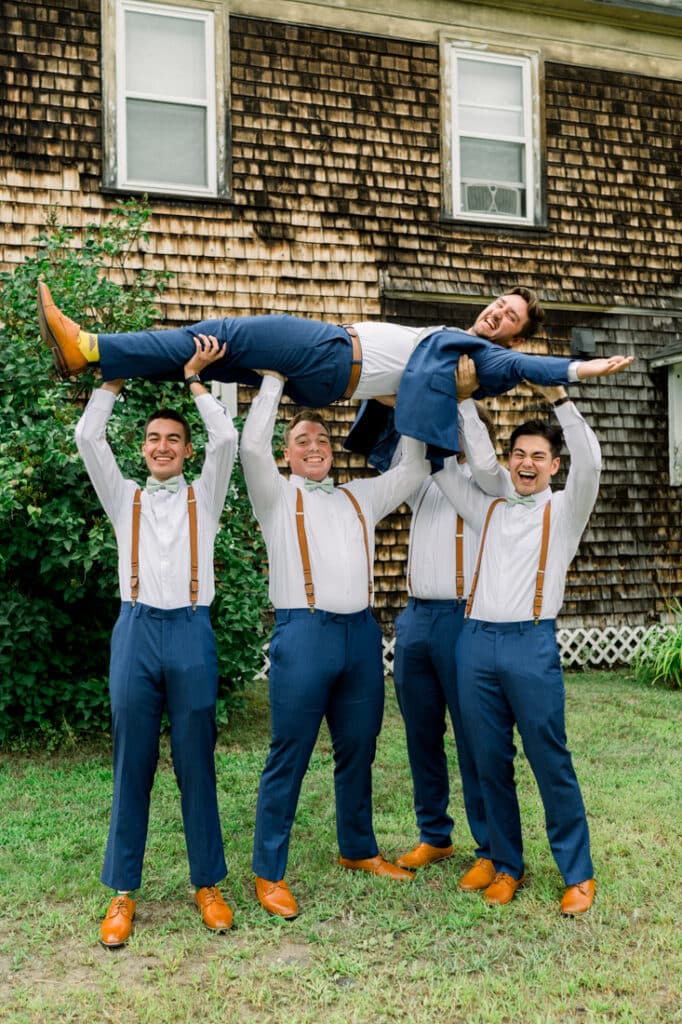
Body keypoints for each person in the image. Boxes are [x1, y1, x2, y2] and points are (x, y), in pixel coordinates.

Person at [38, 283, 632, 465]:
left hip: (327, 352)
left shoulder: (488, 361)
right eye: (498, 303)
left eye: (509, 318)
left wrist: (581, 368)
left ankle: (88, 345)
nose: (496, 314)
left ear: (515, 335)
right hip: (329, 373)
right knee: (206, 356)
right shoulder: (456, 348)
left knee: (229, 332)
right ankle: (96, 359)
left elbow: (528, 367)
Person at [239, 370, 431, 919]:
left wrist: (408, 404)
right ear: (289, 453)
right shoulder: (276, 496)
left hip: (361, 637)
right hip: (303, 635)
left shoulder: (358, 499)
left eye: (322, 440)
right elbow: (251, 445)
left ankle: (357, 849)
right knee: (288, 754)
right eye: (303, 441)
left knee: (359, 748)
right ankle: (269, 872)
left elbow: (414, 466)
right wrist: (274, 380)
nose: (315, 447)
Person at [75, 334, 237, 947]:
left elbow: (226, 440)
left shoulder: (207, 495)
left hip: (192, 631)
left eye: (173, 439)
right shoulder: (126, 498)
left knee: (196, 759)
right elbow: (89, 439)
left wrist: (195, 381)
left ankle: (207, 882)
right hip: (137, 629)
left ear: (186, 449)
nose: (162, 446)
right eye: (152, 439)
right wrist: (113, 377)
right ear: (142, 450)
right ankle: (122, 891)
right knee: (131, 760)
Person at [435, 383, 600, 915]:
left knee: (549, 757)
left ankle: (578, 873)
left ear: (554, 466)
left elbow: (592, 460)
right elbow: (454, 465)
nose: (527, 464)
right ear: (509, 463)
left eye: (538, 457)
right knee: (488, 760)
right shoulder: (492, 507)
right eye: (519, 455)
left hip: (530, 643)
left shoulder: (566, 510)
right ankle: (507, 865)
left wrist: (560, 400)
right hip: (475, 644)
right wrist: (458, 400)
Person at [393, 359, 512, 895]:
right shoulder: (427, 484)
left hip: (465, 619)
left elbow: (486, 464)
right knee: (422, 733)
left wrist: (463, 405)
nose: (455, 437)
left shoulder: (492, 486)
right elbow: (406, 462)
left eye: (461, 429)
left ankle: (489, 848)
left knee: (474, 737)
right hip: (416, 616)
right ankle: (434, 833)